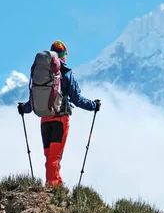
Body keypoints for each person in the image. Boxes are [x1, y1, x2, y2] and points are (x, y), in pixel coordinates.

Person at [17, 40, 101, 186]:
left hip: (44, 120)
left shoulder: (42, 75)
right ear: (62, 57)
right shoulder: (67, 74)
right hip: (60, 120)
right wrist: (94, 106)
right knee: (54, 158)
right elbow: (77, 99)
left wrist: (23, 109)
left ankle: (56, 184)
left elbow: (33, 102)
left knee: (49, 157)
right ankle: (53, 187)